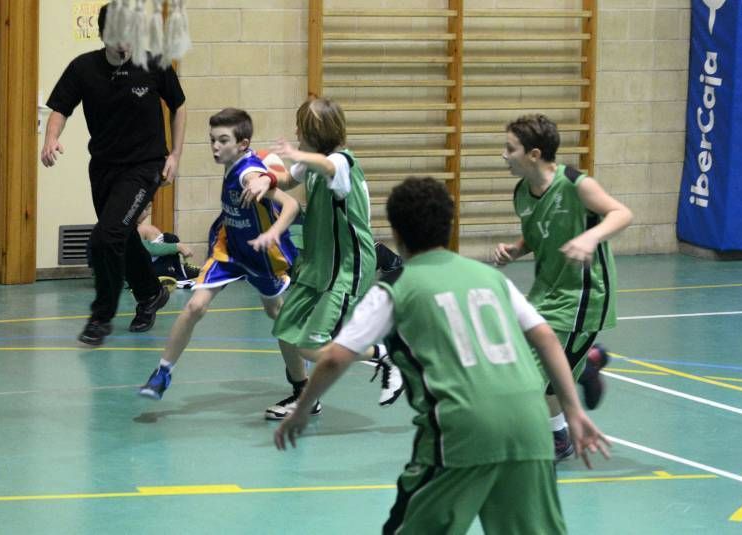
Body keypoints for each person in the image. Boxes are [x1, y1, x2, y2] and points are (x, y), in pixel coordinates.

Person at [275, 177, 610, 535]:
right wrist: (572, 409)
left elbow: (334, 359)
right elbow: (545, 337)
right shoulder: (489, 277)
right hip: (529, 427)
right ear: (450, 229)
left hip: (462, 429)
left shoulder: (394, 288)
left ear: (398, 234)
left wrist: (301, 409)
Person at [243, 97, 404, 420]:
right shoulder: (312, 162)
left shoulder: (341, 163)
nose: (296, 130)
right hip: (317, 264)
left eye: (301, 126)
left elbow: (329, 168)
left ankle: (385, 354)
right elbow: (288, 179)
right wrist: (266, 178)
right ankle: (304, 396)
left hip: (347, 268)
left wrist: (295, 154)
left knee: (311, 347)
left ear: (314, 132)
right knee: (286, 330)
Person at [41, 3, 186, 346]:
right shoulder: (83, 68)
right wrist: (50, 139)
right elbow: (60, 108)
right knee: (121, 236)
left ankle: (100, 318)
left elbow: (178, 106)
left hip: (145, 166)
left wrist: (175, 155)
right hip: (104, 169)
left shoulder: (153, 63)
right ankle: (151, 293)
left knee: (106, 237)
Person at [493, 114, 633, 461]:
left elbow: (621, 213)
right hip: (545, 292)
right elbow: (538, 231)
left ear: (534, 154)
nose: (503, 155)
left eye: (510, 149)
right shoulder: (522, 193)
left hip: (582, 298)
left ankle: (558, 437)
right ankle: (586, 367)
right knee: (531, 364)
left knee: (535, 378)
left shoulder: (576, 184)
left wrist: (591, 236)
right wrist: (515, 250)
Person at [139, 108, 300, 400]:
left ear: (243, 144)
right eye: (212, 139)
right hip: (229, 248)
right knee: (194, 307)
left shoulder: (247, 174)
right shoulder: (234, 163)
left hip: (259, 254)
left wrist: (273, 229)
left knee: (277, 314)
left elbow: (291, 206)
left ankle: (302, 384)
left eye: (223, 140)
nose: (215, 147)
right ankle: (162, 373)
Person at [136, 203, 200, 289]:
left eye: (148, 209)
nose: (147, 213)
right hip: (136, 274)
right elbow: (148, 249)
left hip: (141, 270)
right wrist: (177, 247)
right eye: (145, 209)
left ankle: (177, 270)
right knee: (168, 238)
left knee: (169, 237)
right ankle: (175, 274)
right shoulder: (124, 227)